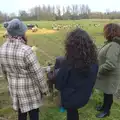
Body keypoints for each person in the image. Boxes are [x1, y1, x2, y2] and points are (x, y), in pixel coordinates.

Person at [0, 19, 49, 120]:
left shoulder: (2, 49)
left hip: (15, 91)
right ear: (20, 33)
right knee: (34, 114)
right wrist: (45, 90)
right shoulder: (26, 51)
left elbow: (4, 72)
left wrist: (11, 82)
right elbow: (38, 74)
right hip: (30, 92)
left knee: (21, 115)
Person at [55, 28, 98, 120]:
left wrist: (56, 73)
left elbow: (59, 85)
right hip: (84, 96)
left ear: (70, 46)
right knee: (73, 111)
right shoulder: (94, 62)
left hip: (70, 99)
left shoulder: (68, 63)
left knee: (71, 111)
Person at [95, 23, 120, 118]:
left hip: (111, 76)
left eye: (105, 30)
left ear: (110, 32)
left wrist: (98, 70)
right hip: (107, 75)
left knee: (109, 93)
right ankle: (103, 107)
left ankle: (106, 111)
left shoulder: (114, 45)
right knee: (106, 92)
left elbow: (110, 64)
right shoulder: (111, 43)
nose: (104, 33)